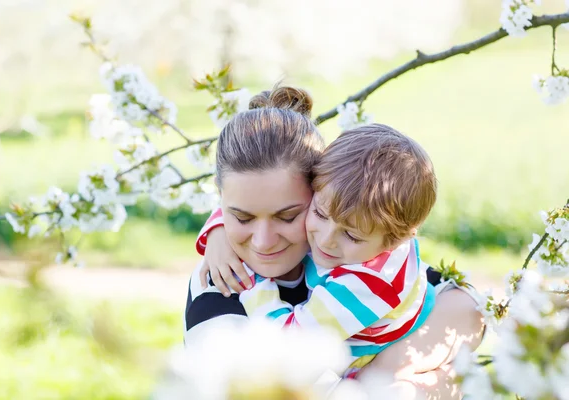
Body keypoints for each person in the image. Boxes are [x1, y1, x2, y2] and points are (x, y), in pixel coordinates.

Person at [185, 85, 483, 397]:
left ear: (318, 189)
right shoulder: (217, 293)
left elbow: (470, 307)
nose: (263, 242)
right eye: (242, 218)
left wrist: (393, 370)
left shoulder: (355, 259)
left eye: (287, 216)